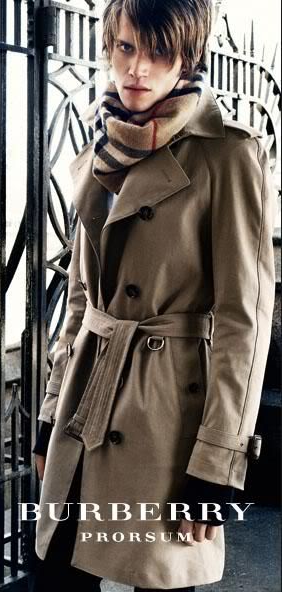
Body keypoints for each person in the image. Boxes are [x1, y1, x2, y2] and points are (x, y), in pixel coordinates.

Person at [31, 0, 275, 590]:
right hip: (85, 402)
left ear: (187, 57)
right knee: (55, 573)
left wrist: (219, 462)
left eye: (158, 52)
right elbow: (82, 299)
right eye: (126, 48)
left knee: (159, 581)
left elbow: (243, 320)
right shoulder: (101, 149)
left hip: (169, 414)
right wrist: (50, 411)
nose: (137, 68)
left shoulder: (228, 153)